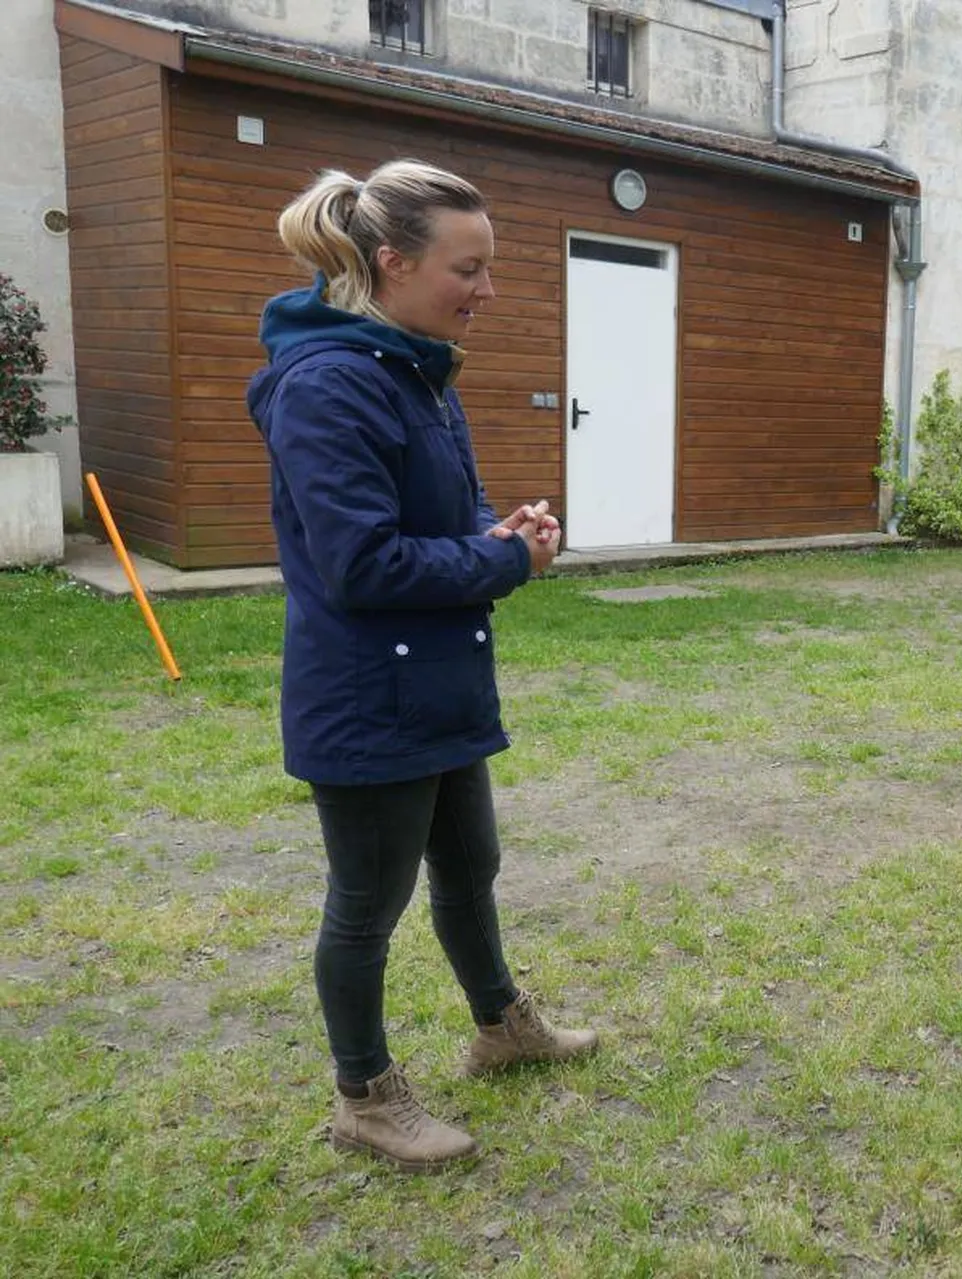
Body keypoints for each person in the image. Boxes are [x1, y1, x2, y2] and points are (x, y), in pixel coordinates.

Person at [247, 159, 600, 1172]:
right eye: (469, 268)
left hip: (437, 679)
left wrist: (496, 533)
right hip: (367, 698)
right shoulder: (328, 384)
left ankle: (501, 1023)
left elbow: (414, 532)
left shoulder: (413, 364)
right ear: (392, 261)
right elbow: (359, 565)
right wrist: (504, 560)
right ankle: (364, 1095)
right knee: (367, 905)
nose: (487, 290)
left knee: (470, 864)